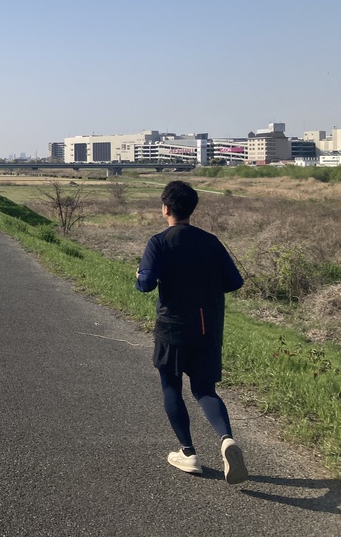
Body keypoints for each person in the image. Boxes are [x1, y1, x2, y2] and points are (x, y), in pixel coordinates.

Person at [135, 180, 248, 484]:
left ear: (166, 209)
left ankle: (188, 453)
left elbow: (145, 283)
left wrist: (139, 274)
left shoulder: (159, 242)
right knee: (204, 390)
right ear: (192, 208)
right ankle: (226, 439)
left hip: (172, 327)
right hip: (206, 327)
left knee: (171, 386)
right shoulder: (210, 241)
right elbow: (234, 281)